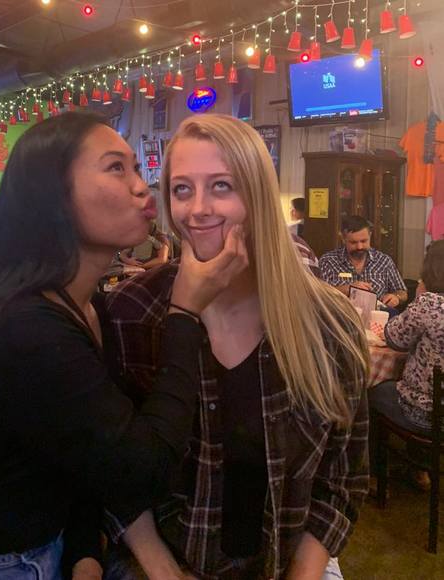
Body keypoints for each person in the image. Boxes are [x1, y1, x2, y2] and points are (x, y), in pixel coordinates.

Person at [0, 112, 248, 580]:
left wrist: (83, 553)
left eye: (136, 167)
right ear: (54, 198)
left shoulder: (87, 307)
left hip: (34, 551)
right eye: (116, 168)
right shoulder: (25, 324)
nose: (142, 187)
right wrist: (185, 313)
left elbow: (85, 453)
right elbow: (142, 470)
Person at [105, 114, 369, 580]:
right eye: (182, 189)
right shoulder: (132, 311)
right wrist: (163, 570)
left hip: (289, 560)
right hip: (165, 562)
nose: (197, 209)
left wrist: (301, 574)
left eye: (221, 186)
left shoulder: (330, 322)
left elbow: (342, 477)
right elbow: (111, 470)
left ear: (258, 196)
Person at [368, 240, 444, 489]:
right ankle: (420, 470)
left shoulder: (429, 304)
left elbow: (393, 337)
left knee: (372, 391)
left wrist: (418, 298)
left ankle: (373, 475)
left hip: (425, 415)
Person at [319, 215, 407, 309]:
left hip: (376, 316)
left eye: (364, 241)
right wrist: (346, 289)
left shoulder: (384, 261)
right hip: (340, 315)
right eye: (353, 242)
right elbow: (319, 293)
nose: (359, 247)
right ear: (343, 239)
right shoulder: (328, 261)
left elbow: (402, 292)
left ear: (370, 235)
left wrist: (396, 297)